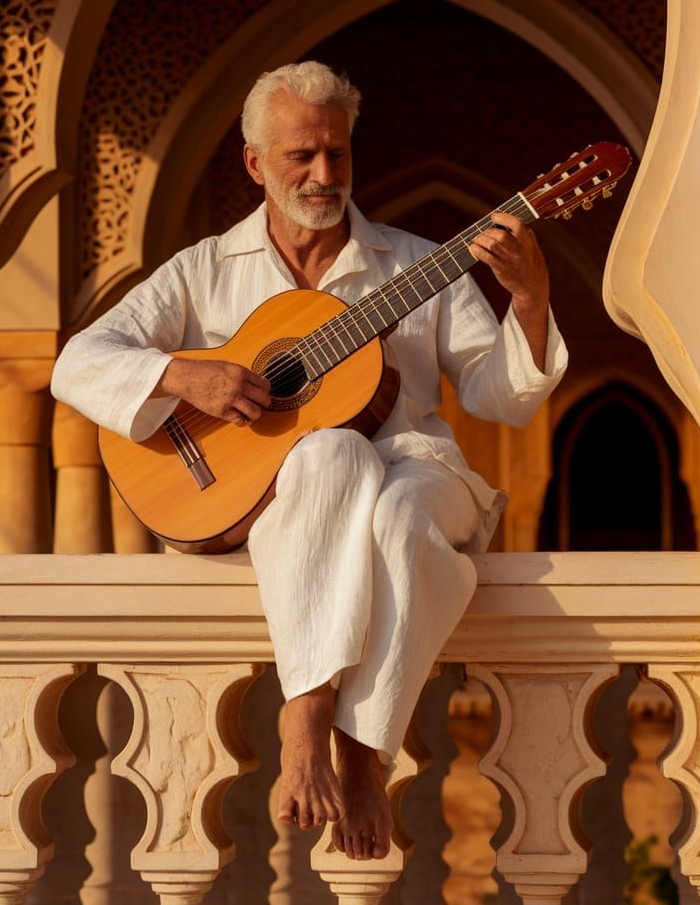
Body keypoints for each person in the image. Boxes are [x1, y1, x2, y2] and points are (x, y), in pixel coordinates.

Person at [51, 61, 567, 862]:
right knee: (329, 451)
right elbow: (77, 364)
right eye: (301, 157)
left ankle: (363, 757)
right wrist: (185, 374)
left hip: (422, 471)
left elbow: (502, 397)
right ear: (256, 163)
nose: (325, 175)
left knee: (396, 509)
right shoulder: (204, 270)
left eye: (338, 154)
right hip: (293, 490)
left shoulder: (414, 264)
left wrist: (529, 303)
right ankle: (307, 725)